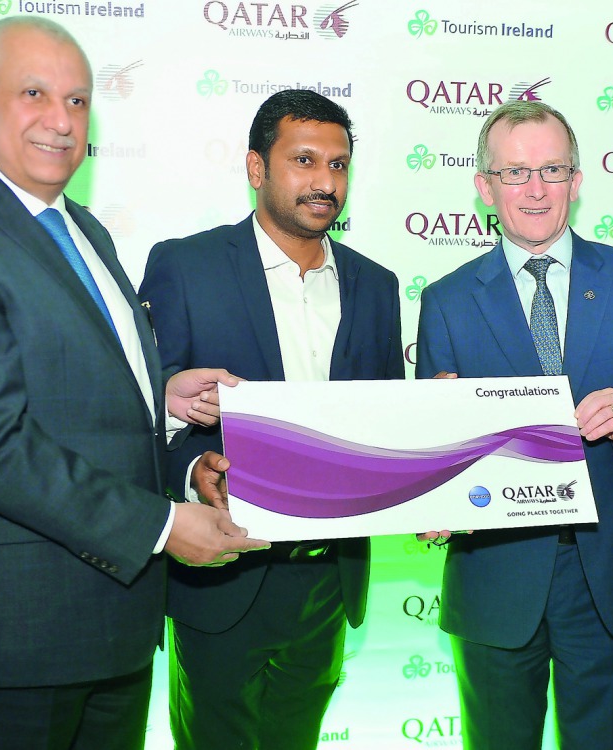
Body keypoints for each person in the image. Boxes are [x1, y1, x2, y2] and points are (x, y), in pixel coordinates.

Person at [0, 16, 263, 750]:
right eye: (34, 93)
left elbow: (68, 382)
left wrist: (163, 394)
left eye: (78, 101)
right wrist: (166, 525)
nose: (60, 119)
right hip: (5, 644)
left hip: (112, 630)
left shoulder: (83, 228)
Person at [414, 100, 613, 750]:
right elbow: (436, 450)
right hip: (494, 575)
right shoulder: (448, 300)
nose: (536, 189)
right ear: (484, 187)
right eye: (515, 173)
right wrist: (438, 443)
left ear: (577, 180)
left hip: (610, 571)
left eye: (552, 169)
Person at [138, 89, 403, 750]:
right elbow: (145, 411)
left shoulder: (377, 284)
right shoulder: (186, 267)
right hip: (223, 569)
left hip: (328, 580)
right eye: (304, 160)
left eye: (338, 165)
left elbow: (381, 421)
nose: (324, 182)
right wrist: (196, 468)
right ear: (257, 168)